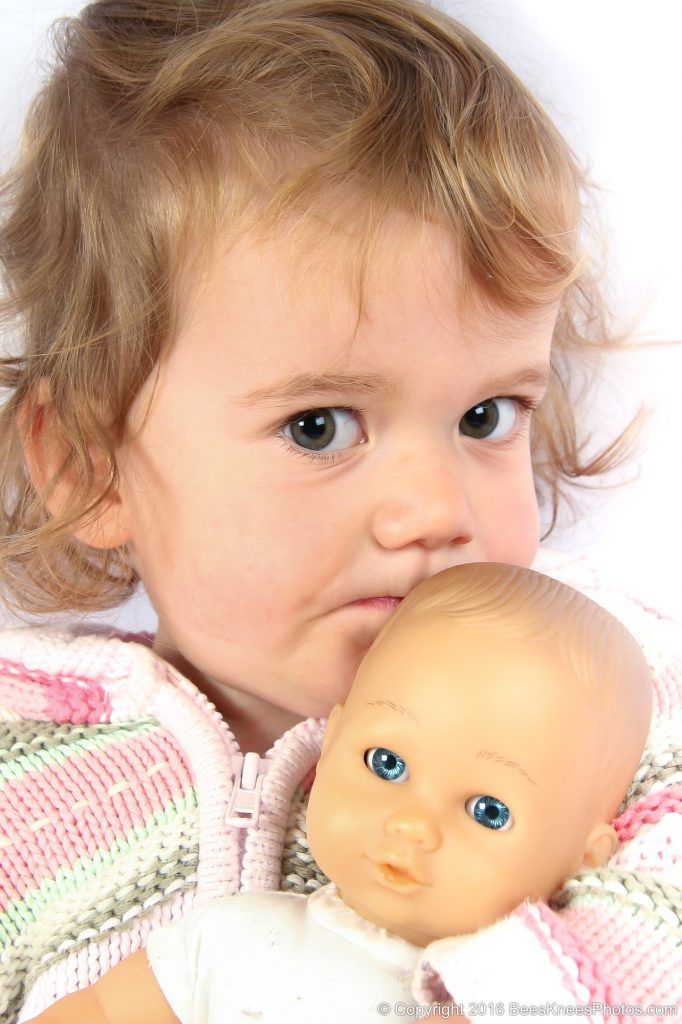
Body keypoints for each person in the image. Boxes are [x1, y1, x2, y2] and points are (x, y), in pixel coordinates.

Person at [0, 0, 678, 1020]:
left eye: (487, 414)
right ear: (92, 467)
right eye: (320, 427)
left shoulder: (597, 711)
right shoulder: (25, 786)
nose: (434, 509)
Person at [22, 563, 660, 1023]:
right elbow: (103, 1009)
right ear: (328, 750)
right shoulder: (234, 936)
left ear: (587, 858)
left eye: (487, 811)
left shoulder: (524, 993)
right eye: (386, 764)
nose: (413, 824)